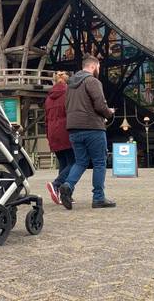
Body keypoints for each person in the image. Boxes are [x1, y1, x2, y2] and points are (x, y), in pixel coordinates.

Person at [57, 55, 116, 210]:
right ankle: (98, 198)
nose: (98, 70)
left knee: (80, 161)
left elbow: (66, 107)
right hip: (92, 128)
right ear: (93, 66)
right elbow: (99, 105)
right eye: (98, 67)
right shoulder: (92, 81)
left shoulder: (69, 85)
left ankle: (68, 185)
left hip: (74, 129)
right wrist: (109, 112)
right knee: (99, 162)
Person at [44, 71, 75, 205]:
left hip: (52, 133)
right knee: (75, 162)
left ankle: (63, 195)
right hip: (66, 132)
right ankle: (56, 184)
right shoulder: (69, 94)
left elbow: (46, 119)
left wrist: (48, 135)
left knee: (63, 163)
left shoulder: (48, 98)